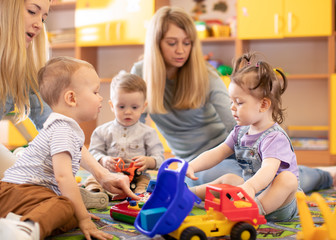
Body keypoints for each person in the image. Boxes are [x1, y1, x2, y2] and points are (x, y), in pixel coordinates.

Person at [130, 5, 336, 193]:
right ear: (155, 43)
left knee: (267, 178)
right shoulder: (141, 74)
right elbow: (135, 129)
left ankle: (325, 175)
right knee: (213, 176)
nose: (181, 50)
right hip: (196, 160)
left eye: (187, 43)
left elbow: (236, 121)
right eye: (172, 43)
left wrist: (256, 149)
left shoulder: (205, 74)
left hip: (231, 149)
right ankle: (308, 171)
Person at [0, 56, 139, 240]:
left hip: (24, 194)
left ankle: (14, 221)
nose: (101, 97)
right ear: (72, 98)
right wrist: (84, 219)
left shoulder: (63, 126)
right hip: (20, 191)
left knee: (70, 212)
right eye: (95, 92)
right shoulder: (62, 129)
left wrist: (78, 214)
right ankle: (23, 231)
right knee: (66, 206)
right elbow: (63, 176)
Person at [187, 52, 299, 222]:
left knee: (287, 179)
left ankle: (256, 211)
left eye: (238, 102)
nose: (232, 108)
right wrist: (191, 166)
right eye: (231, 101)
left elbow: (268, 170)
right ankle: (190, 194)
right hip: (249, 193)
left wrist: (250, 187)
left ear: (263, 104)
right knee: (229, 178)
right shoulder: (240, 131)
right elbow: (217, 152)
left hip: (280, 204)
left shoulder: (274, 138)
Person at [85, 71, 165, 196]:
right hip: (108, 175)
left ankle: (141, 195)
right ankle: (95, 195)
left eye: (134, 107)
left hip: (138, 177)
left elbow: (160, 158)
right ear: (112, 105)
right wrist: (103, 159)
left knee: (147, 182)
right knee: (93, 178)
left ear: (143, 107)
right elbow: (91, 154)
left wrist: (149, 161)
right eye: (121, 107)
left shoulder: (148, 133)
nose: (128, 112)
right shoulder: (101, 131)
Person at [0, 0, 53, 179]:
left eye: (43, 19)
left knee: (28, 183)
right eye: (32, 11)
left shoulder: (22, 69)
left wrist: (100, 173)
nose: (39, 24)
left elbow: (53, 124)